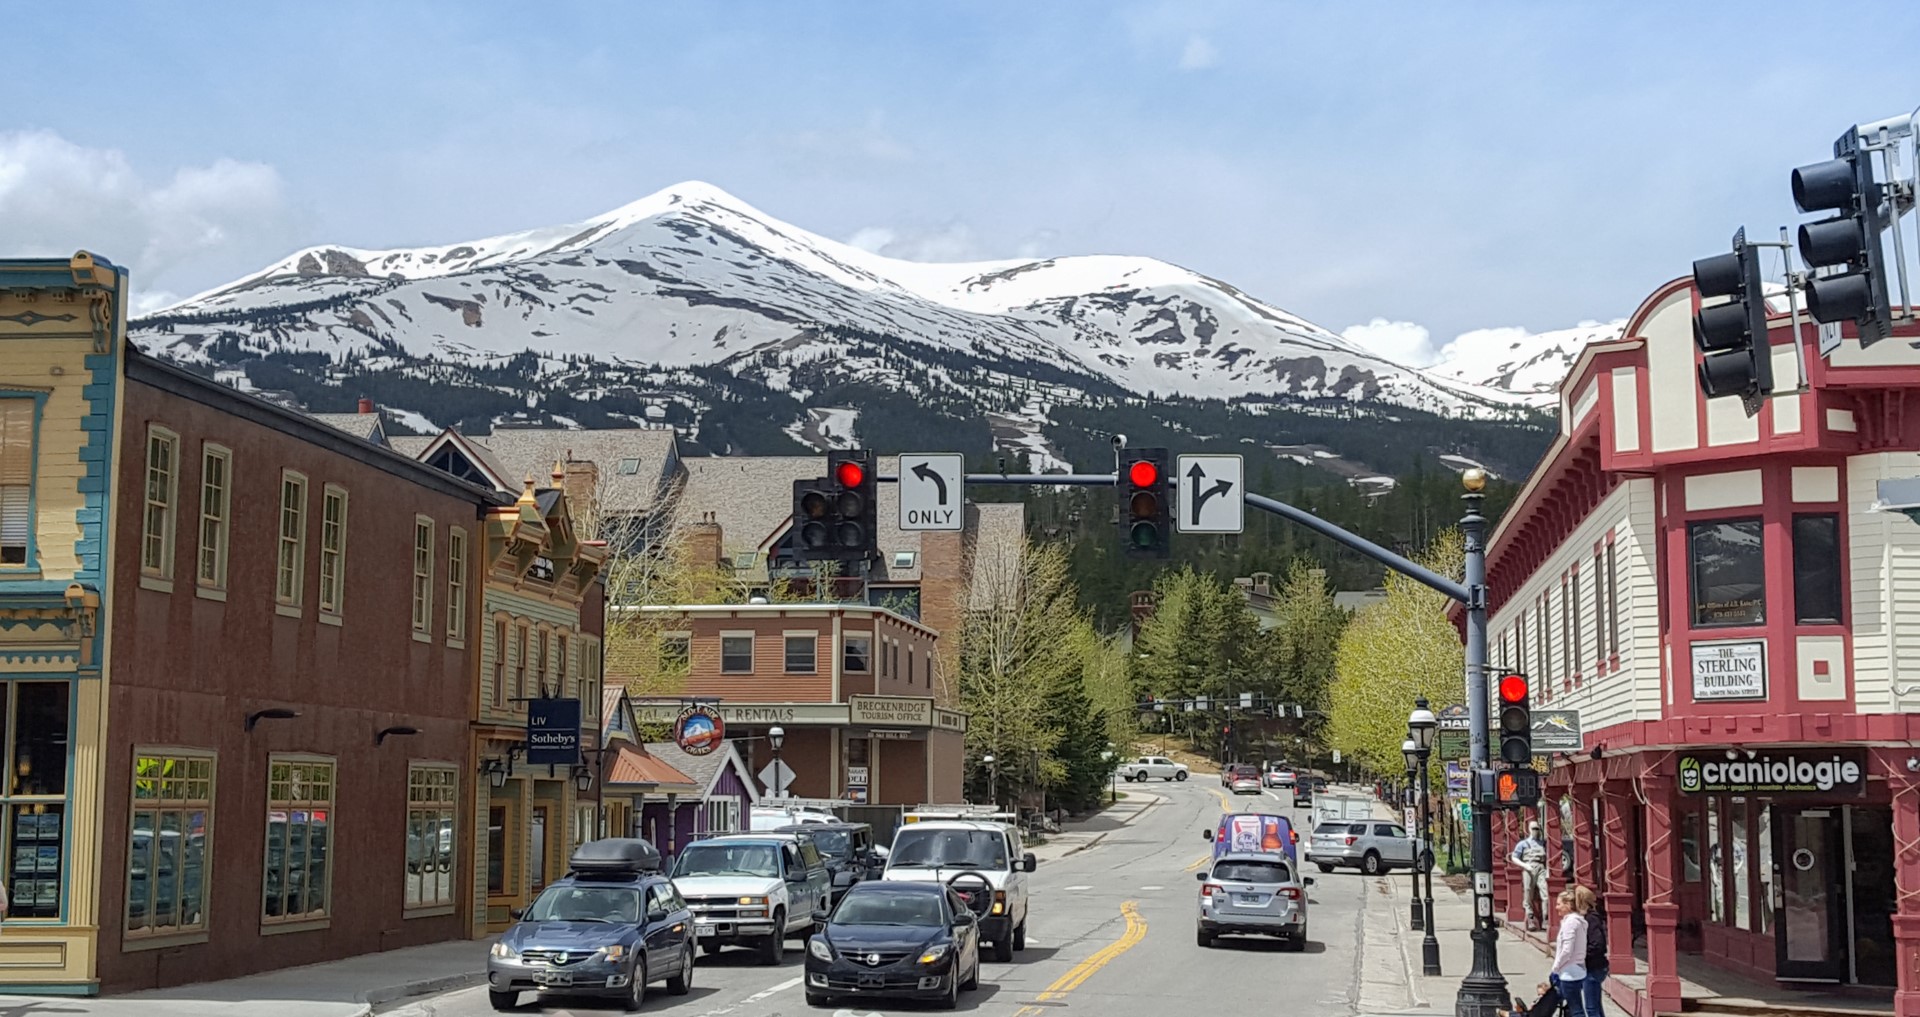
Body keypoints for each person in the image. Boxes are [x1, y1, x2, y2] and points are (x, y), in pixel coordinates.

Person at [1550, 887, 1591, 1017]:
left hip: (1569, 971)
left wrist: (1555, 968)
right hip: (1577, 968)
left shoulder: (1571, 923)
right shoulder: (1577, 921)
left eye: (1559, 904)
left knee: (1575, 1009)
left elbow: (1567, 950)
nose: (1556, 908)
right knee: (1574, 1007)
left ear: (1567, 905)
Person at [1576, 885, 1608, 1016]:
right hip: (1592, 966)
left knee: (1591, 1007)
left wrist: (1581, 955)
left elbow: (1597, 944)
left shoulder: (1591, 919)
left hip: (1593, 967)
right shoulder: (1587, 918)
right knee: (1595, 1005)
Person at [1511, 821, 1549, 931]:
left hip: (1541, 867)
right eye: (1533, 829)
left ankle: (1545, 918)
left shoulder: (1542, 843)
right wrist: (1525, 865)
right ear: (1529, 830)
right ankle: (1530, 917)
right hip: (1528, 868)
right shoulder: (1523, 844)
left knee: (1545, 892)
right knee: (1528, 891)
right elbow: (1514, 857)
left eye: (1537, 829)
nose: (1535, 831)